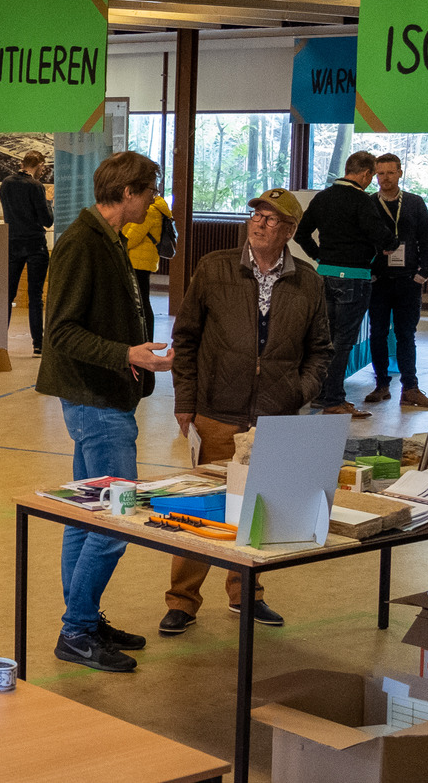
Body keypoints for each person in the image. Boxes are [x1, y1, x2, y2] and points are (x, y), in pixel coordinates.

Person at [160, 188, 330, 637]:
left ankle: (246, 594)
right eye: (256, 214)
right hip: (217, 410)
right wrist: (185, 401)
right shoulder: (215, 268)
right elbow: (187, 338)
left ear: (290, 232)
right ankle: (182, 601)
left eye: (272, 219)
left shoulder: (308, 282)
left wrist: (299, 391)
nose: (260, 223)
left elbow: (321, 351)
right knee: (202, 510)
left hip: (276, 416)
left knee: (258, 510)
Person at [38, 150, 172, 674]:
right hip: (96, 403)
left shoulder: (110, 238)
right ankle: (76, 630)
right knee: (117, 518)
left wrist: (140, 352)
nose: (154, 200)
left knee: (87, 514)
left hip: (107, 396)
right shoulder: (81, 243)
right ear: (127, 193)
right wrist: (126, 354)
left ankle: (85, 620)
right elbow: (62, 331)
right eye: (149, 191)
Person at [296, 151, 399, 417]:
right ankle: (334, 399)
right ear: (365, 174)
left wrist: (319, 255)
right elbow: (383, 237)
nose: (373, 181)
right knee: (342, 342)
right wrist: (390, 244)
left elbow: (301, 234)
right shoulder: (362, 201)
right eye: (373, 175)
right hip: (354, 278)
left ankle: (319, 394)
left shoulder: (323, 197)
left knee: (322, 339)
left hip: (324, 275)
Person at [364, 153, 428, 409]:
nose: (385, 178)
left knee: (406, 333)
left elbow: (425, 239)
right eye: (380, 173)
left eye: (390, 172)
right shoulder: (368, 203)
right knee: (378, 333)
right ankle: (381, 384)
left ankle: (411, 387)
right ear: (375, 175)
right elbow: (361, 240)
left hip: (409, 279)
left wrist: (424, 272)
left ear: (400, 173)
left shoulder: (415, 203)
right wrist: (370, 271)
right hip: (379, 280)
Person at [2, 151, 53, 356]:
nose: (43, 170)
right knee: (35, 296)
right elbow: (47, 221)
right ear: (39, 164)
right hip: (35, 245)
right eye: (43, 167)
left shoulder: (5, 183)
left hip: (12, 243)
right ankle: (38, 345)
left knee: (7, 295)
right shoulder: (36, 186)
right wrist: (49, 201)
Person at [121, 192, 173, 338]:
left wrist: (119, 239)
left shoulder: (149, 210)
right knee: (143, 299)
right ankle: (145, 336)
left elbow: (132, 237)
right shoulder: (157, 208)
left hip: (139, 260)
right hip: (144, 259)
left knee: (141, 301)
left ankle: (146, 337)